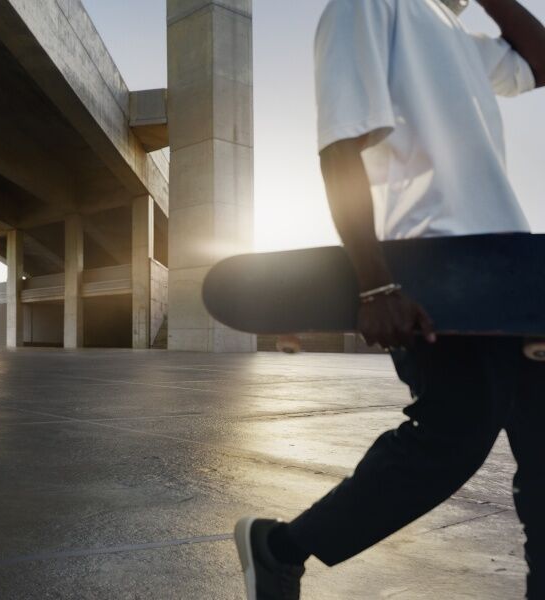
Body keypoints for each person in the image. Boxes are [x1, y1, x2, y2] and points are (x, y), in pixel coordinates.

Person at [233, 0, 545, 598]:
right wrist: (375, 281)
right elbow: (340, 144)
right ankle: (279, 548)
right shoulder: (369, 6)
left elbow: (541, 59)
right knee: (451, 441)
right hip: (435, 269)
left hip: (516, 274)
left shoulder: (459, 34)